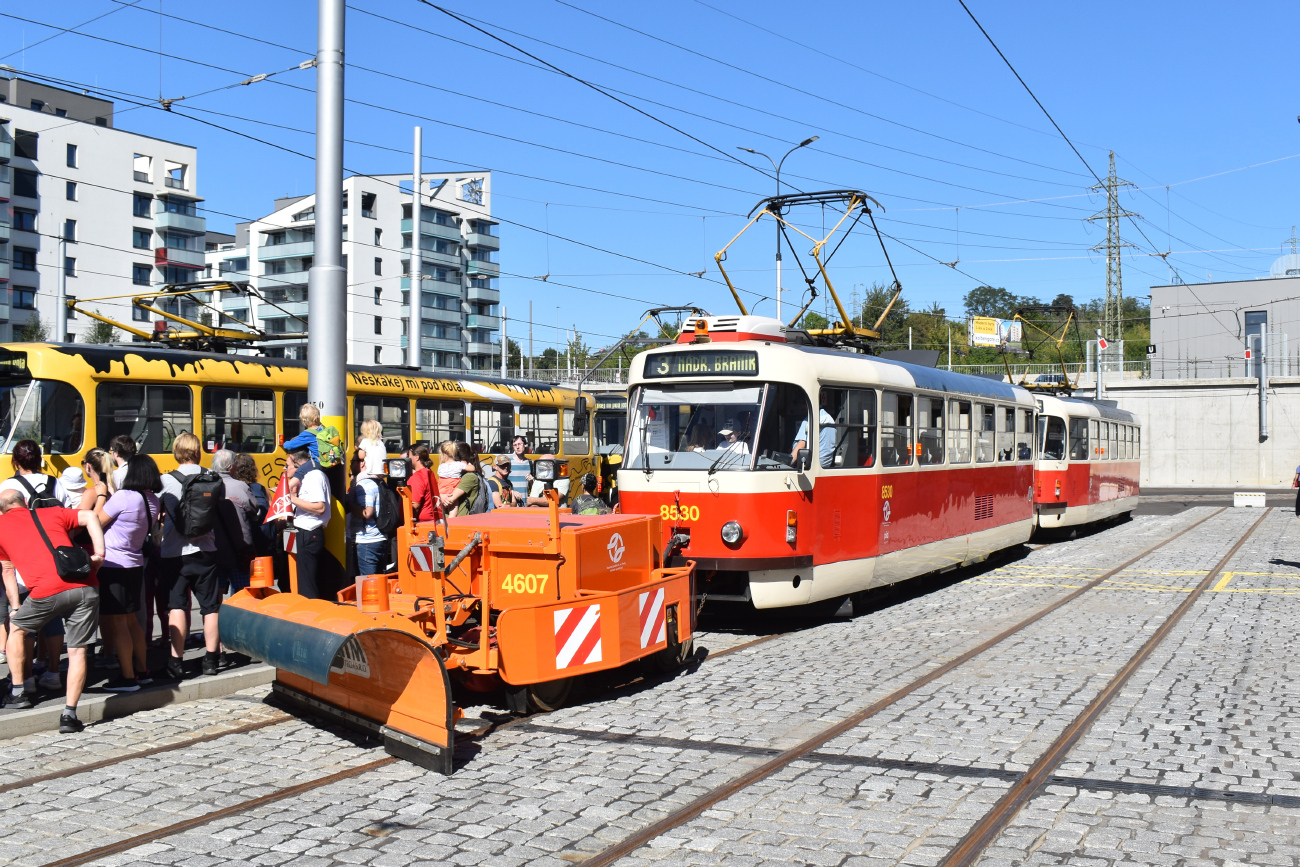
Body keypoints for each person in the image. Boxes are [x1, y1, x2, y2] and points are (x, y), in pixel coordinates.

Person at [0, 487, 105, 733]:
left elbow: (7, 571)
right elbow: (91, 516)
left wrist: (15, 607)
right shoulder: (51, 512)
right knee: (77, 651)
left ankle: (18, 692)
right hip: (86, 584)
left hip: (45, 590)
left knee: (17, 630)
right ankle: (69, 715)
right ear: (26, 501)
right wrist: (99, 554)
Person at [94, 455, 160, 691]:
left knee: (119, 622)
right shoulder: (153, 500)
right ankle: (142, 671)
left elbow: (96, 520)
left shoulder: (124, 496)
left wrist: (102, 495)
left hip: (114, 564)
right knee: (131, 620)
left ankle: (127, 677)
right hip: (135, 563)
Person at [158, 432, 221, 679]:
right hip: (206, 550)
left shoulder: (166, 480)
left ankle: (176, 661)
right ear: (197, 452)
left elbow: (156, 512)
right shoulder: (212, 476)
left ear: (176, 452)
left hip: (175, 552)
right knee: (210, 607)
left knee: (177, 606)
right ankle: (211, 660)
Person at [285, 444, 331, 599]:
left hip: (309, 531)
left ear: (294, 460)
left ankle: (310, 609)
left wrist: (291, 498)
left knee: (307, 584)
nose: (285, 469)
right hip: (304, 531)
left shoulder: (313, 476)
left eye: (287, 465)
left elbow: (319, 507)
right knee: (302, 580)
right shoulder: (307, 476)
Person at [211, 449, 257, 596]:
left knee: (216, 590)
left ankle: (217, 611)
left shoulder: (207, 485)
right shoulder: (240, 486)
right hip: (239, 548)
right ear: (230, 467)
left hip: (214, 547)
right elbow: (254, 510)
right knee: (242, 591)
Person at [347, 449, 388, 577]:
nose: (351, 465)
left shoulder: (364, 484)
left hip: (367, 540)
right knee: (380, 580)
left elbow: (367, 512)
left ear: (362, 463)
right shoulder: (378, 481)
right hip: (380, 537)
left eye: (353, 461)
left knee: (368, 582)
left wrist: (349, 505)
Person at [1, 439, 69, 507]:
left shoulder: (8, 485)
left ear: (15, 461)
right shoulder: (56, 482)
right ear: (40, 459)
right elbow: (67, 509)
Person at [232, 454, 273, 556]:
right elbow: (273, 514)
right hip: (263, 540)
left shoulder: (234, 489)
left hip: (243, 541)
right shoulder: (262, 489)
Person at [441, 442, 483, 517]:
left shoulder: (470, 477)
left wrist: (441, 496)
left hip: (459, 519)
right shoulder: (455, 475)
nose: (454, 464)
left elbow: (449, 499)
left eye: (457, 461)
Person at [298, 403, 343, 469]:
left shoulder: (306, 434)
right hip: (333, 462)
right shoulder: (324, 429)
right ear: (317, 419)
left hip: (319, 463)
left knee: (300, 472)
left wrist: (284, 444)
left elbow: (290, 445)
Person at [405, 443, 441, 523]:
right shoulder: (429, 472)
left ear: (416, 457)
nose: (407, 459)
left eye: (409, 456)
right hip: (430, 520)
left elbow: (415, 506)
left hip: (419, 523)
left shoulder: (417, 477)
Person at [508, 436, 531, 505]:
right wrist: (512, 492)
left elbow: (535, 486)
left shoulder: (530, 463)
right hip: (512, 504)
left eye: (519, 444)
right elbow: (503, 484)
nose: (517, 447)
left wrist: (532, 481)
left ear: (525, 445)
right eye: (515, 445)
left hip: (526, 504)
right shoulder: (508, 463)